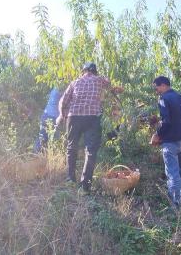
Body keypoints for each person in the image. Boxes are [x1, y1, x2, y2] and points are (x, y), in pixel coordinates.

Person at [57, 63, 123, 195]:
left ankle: (70, 179)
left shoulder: (75, 82)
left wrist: (62, 115)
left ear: (84, 71)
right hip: (92, 118)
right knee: (91, 151)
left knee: (71, 147)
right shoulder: (100, 79)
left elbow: (63, 101)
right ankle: (84, 187)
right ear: (95, 71)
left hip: (74, 117)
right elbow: (110, 87)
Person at [150, 76, 181, 209]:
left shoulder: (164, 98)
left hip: (170, 141)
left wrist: (157, 134)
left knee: (172, 172)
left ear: (163, 85)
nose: (155, 90)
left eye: (156, 86)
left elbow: (166, 121)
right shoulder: (179, 97)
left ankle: (176, 204)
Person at [34, 87, 61, 153]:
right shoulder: (61, 90)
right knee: (53, 139)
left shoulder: (55, 88)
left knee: (42, 137)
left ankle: (36, 155)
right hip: (53, 117)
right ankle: (40, 156)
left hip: (46, 114)